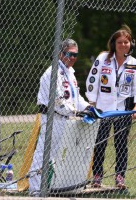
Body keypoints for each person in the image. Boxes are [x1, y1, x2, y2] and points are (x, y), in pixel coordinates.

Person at [28, 39, 92, 196]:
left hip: (64, 119)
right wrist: (76, 113)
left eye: (75, 55)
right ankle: (36, 191)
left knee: (55, 156)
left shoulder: (70, 72)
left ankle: (50, 187)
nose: (72, 57)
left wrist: (88, 108)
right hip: (52, 118)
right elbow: (58, 101)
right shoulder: (53, 73)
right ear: (60, 54)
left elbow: (75, 98)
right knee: (44, 153)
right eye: (69, 54)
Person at [85, 25, 136, 189]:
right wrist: (92, 102)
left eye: (126, 42)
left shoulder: (134, 64)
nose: (123, 45)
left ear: (130, 44)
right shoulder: (103, 59)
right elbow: (92, 80)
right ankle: (97, 176)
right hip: (103, 110)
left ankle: (120, 177)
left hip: (123, 109)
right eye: (120, 42)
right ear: (113, 44)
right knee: (100, 143)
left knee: (121, 144)